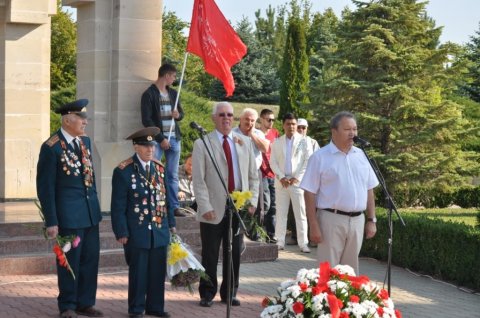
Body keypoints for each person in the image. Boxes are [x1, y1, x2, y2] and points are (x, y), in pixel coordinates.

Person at [36, 99, 103, 318]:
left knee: (90, 259)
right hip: (68, 216)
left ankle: (85, 302)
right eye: (81, 117)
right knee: (69, 262)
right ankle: (67, 306)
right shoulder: (51, 147)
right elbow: (45, 188)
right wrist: (51, 220)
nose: (85, 121)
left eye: (85, 118)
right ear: (67, 119)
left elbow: (88, 179)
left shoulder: (84, 143)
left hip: (89, 213)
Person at [192, 102, 259, 308]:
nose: (226, 118)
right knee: (210, 253)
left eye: (230, 114)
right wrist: (205, 206)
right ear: (214, 118)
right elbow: (199, 180)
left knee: (234, 253)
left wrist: (252, 201)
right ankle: (207, 292)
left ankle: (230, 292)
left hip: (237, 207)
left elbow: (253, 177)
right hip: (212, 208)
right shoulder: (203, 143)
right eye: (222, 115)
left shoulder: (244, 142)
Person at [300, 111, 379, 274]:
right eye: (347, 129)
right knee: (327, 272)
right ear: (334, 131)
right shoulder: (320, 157)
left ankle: (346, 301)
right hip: (331, 220)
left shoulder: (361, 156)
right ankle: (326, 300)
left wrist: (372, 219)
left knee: (350, 273)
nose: (353, 134)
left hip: (357, 220)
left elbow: (369, 189)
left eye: (355, 129)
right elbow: (309, 193)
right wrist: (313, 225)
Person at [111, 127, 176, 318]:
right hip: (136, 230)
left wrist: (171, 224)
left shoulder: (159, 169)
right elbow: (118, 205)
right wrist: (121, 231)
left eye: (153, 146)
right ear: (136, 147)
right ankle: (137, 308)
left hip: (159, 229)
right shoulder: (124, 170)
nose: (151, 150)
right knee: (138, 272)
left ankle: (155, 306)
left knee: (157, 271)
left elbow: (167, 201)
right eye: (146, 146)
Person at [141, 63, 186, 217]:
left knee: (172, 174)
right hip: (157, 140)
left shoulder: (173, 93)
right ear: (166, 75)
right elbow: (146, 120)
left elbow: (181, 114)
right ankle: (154, 204)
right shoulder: (149, 94)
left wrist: (178, 115)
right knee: (154, 173)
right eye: (173, 76)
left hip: (174, 138)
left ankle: (173, 206)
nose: (174, 79)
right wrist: (160, 139)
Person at [269, 113, 312, 253]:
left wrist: (297, 177)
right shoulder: (277, 142)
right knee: (281, 213)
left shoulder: (304, 141)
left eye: (294, 124)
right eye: (288, 124)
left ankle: (303, 243)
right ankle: (280, 241)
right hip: (282, 183)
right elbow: (273, 162)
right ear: (283, 125)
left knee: (300, 214)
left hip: (297, 183)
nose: (291, 126)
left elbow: (308, 161)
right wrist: (281, 177)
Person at [233, 108, 269, 239]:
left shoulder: (258, 133)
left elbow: (265, 148)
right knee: (241, 204)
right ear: (241, 120)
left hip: (255, 174)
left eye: (252, 120)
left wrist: (252, 135)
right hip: (239, 174)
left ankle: (254, 232)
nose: (249, 122)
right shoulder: (233, 133)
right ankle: (241, 230)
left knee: (261, 204)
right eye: (247, 119)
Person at [287, 118, 320, 247]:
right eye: (299, 127)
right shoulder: (290, 141)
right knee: (295, 210)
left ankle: (311, 238)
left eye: (303, 128)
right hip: (294, 181)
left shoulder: (312, 142)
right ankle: (296, 236)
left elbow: (317, 160)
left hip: (310, 181)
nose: (301, 130)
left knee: (310, 209)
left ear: (307, 129)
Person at [259, 109, 280, 242]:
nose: (271, 122)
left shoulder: (275, 133)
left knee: (274, 206)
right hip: (261, 173)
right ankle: (260, 233)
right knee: (265, 205)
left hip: (274, 174)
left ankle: (271, 235)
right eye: (268, 119)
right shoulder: (257, 133)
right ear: (261, 119)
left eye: (273, 120)